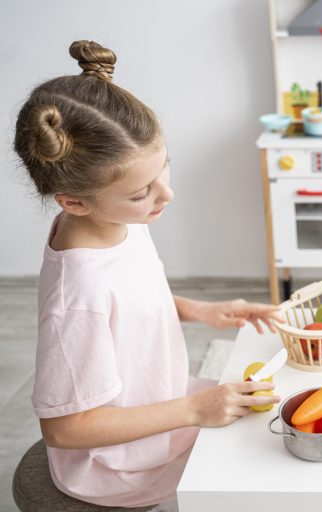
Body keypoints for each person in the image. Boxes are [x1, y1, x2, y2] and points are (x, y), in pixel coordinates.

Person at [14, 40, 283, 509]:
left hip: (162, 399)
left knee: (274, 416)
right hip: (115, 463)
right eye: (142, 192)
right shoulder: (77, 295)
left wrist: (200, 309)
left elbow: (131, 301)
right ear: (74, 201)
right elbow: (64, 428)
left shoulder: (113, 220)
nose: (167, 195)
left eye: (165, 169)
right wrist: (194, 410)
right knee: (261, 471)